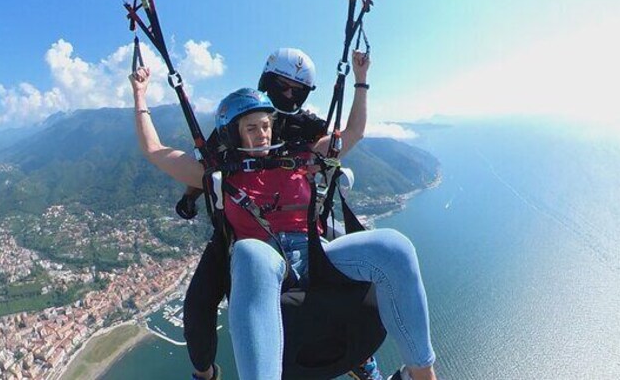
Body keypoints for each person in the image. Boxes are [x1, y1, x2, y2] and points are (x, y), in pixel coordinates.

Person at [130, 69, 437, 380]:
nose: (262, 133)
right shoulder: (219, 175)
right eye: (251, 127)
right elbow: (155, 151)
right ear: (232, 134)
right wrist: (140, 94)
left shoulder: (301, 158)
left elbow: (354, 132)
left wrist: (361, 78)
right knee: (249, 253)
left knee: (394, 247)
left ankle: (421, 373)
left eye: (266, 126)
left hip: (316, 253)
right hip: (268, 261)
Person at [178, 48, 380, 380]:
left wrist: (361, 81)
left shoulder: (308, 127)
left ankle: (361, 357)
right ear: (266, 82)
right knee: (198, 306)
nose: (287, 95)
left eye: (295, 90)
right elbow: (208, 167)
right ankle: (205, 373)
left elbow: (349, 136)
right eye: (280, 86)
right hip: (242, 228)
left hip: (298, 223)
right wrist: (190, 196)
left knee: (355, 277)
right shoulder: (240, 117)